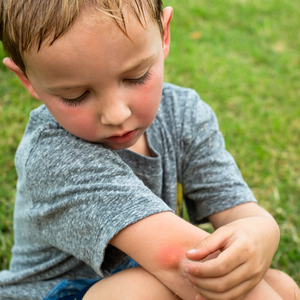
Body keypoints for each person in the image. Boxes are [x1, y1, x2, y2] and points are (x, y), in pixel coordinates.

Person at [0, 1, 299, 300]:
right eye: (75, 95)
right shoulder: (54, 156)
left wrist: (262, 231)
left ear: (164, 34)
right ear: (27, 79)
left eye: (136, 76)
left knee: (282, 285)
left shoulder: (183, 115)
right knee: (144, 290)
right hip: (56, 294)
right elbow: (182, 263)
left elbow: (239, 211)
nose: (116, 114)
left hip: (148, 282)